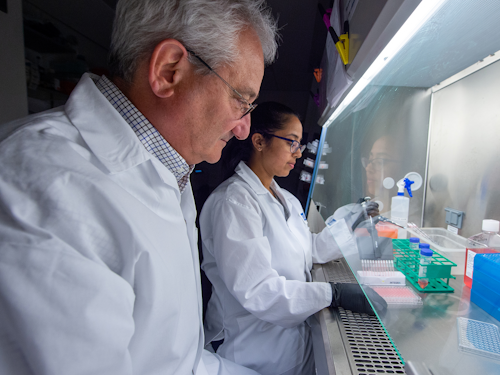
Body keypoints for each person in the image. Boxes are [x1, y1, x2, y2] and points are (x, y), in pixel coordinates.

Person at [0, 1, 279, 374]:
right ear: (169, 71)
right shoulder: (49, 189)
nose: (244, 128)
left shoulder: (169, 172)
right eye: (241, 100)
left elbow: (177, 359)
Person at [199, 102, 386, 375]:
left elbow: (309, 248)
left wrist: (353, 222)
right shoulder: (234, 203)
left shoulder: (285, 198)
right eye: (292, 143)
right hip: (252, 350)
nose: (298, 154)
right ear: (259, 141)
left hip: (291, 342)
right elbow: (258, 290)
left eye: (300, 145)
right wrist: (332, 294)